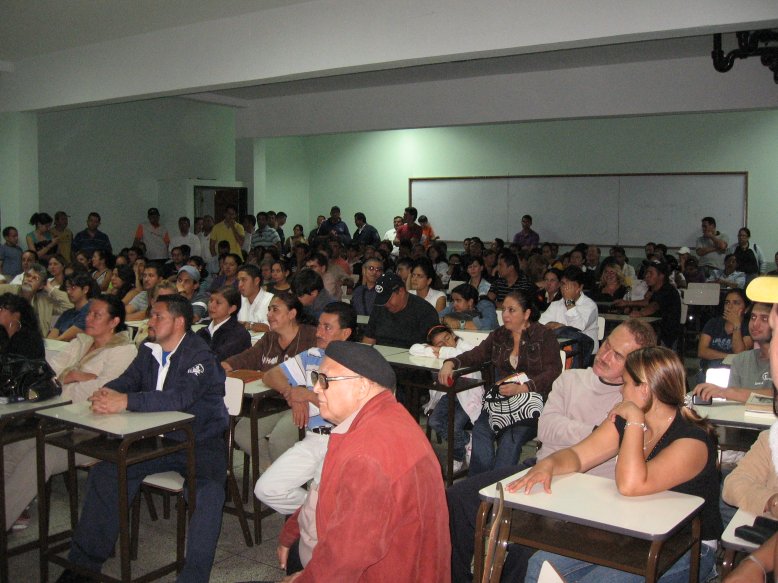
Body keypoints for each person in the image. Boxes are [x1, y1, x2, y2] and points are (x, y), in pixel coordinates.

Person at [446, 320, 657, 583]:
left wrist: (583, 432)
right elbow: (545, 428)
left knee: (523, 550)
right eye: (606, 345)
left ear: (637, 366)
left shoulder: (634, 399)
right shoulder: (571, 378)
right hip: (540, 468)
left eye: (617, 355)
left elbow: (613, 446)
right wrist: (597, 431)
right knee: (456, 498)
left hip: (588, 492)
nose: (603, 356)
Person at [56, 295, 228, 583]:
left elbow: (180, 398)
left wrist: (126, 401)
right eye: (152, 315)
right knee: (107, 471)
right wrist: (107, 392)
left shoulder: (200, 355)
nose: (151, 321)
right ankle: (82, 567)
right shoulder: (148, 349)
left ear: (179, 322)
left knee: (209, 494)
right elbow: (127, 381)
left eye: (158, 316)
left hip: (200, 440)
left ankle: (193, 578)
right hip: (155, 439)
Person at [514, 346, 722, 583]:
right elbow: (578, 456)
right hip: (635, 532)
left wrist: (634, 420)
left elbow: (631, 485)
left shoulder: (692, 441)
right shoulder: (627, 422)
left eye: (625, 384)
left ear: (644, 389)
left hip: (688, 546)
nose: (621, 391)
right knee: (539, 565)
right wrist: (549, 464)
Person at [277, 341, 451, 581]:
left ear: (361, 387)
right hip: (321, 548)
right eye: (316, 377)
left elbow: (346, 558)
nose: (316, 388)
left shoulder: (368, 454)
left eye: (325, 380)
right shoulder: (377, 419)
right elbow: (323, 492)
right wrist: (291, 532)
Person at [3, 294, 137, 532]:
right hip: (57, 418)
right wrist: (71, 378)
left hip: (96, 429)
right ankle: (12, 511)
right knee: (11, 446)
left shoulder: (124, 351)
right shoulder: (81, 342)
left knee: (38, 458)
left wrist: (66, 381)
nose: (89, 318)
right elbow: (48, 373)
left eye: (97, 314)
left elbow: (103, 393)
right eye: (88, 313)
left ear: (114, 321)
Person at [439, 290, 562, 475]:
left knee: (510, 439)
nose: (505, 315)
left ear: (527, 313)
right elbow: (476, 354)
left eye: (511, 310)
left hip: (531, 404)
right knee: (481, 431)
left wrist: (524, 388)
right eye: (503, 309)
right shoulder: (499, 335)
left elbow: (553, 371)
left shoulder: (544, 336)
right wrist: (451, 362)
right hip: (501, 402)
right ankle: (479, 485)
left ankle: (497, 492)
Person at [255, 302, 356, 515]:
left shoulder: (356, 363)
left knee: (320, 491)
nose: (319, 332)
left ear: (345, 333)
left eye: (327, 328)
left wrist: (307, 395)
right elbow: (270, 375)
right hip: (313, 438)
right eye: (319, 326)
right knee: (266, 489)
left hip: (343, 441)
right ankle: (325, 515)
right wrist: (291, 393)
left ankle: (324, 517)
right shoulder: (313, 355)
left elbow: (349, 412)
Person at [223, 293, 318, 468]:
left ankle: (283, 480)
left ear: (292, 314)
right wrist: (226, 365)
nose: (269, 315)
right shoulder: (269, 338)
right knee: (242, 432)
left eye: (275, 310)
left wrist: (299, 394)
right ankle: (271, 470)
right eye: (268, 310)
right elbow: (247, 357)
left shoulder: (310, 337)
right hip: (271, 401)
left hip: (301, 403)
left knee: (279, 440)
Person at [412, 324, 482, 472]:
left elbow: (463, 354)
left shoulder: (467, 347)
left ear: (452, 334)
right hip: (448, 394)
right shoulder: (446, 350)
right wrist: (439, 350)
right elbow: (414, 349)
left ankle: (457, 456)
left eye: (447, 338)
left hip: (468, 395)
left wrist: (440, 350)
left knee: (454, 427)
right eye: (440, 344)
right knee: (434, 421)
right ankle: (467, 440)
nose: (446, 344)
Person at [692, 300, 772, 403]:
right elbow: (732, 401)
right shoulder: (740, 360)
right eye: (753, 317)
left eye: (764, 319)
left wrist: (725, 392)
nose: (755, 324)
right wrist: (727, 393)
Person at [615, 259, 682, 349]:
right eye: (646, 273)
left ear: (661, 276)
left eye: (651, 273)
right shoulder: (654, 290)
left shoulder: (667, 290)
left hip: (665, 337)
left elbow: (654, 306)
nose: (647, 276)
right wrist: (626, 303)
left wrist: (640, 313)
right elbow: (646, 302)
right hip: (655, 332)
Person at [362, 271, 440, 348]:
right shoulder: (379, 307)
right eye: (382, 300)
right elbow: (368, 341)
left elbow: (431, 349)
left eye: (388, 300)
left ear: (401, 292)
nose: (386, 304)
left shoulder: (425, 312)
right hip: (380, 357)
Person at [539, 265, 600, 359]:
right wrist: (559, 327)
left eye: (570, 285)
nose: (565, 289)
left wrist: (569, 301)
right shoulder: (556, 305)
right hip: (558, 354)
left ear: (580, 287)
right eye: (563, 284)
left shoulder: (590, 305)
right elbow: (540, 326)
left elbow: (577, 327)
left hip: (585, 356)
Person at [0, 263, 73, 335]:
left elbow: (70, 305)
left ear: (41, 286)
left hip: (34, 340)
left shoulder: (45, 301)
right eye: (28, 276)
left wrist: (50, 289)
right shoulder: (5, 290)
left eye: (35, 278)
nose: (29, 279)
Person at [696, 288, 752, 372]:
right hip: (709, 370)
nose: (730, 306)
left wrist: (737, 325)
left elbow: (739, 354)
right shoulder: (713, 323)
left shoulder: (749, 326)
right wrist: (729, 356)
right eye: (727, 302)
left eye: (736, 303)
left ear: (746, 308)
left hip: (735, 372)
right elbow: (702, 351)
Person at [196, 285, 251, 361]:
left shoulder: (239, 334)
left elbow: (218, 359)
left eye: (218, 303)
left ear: (231, 309)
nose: (212, 305)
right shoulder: (202, 332)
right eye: (211, 300)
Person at [47, 272, 97, 341]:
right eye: (67, 287)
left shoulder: (91, 312)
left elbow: (64, 338)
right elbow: (51, 338)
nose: (68, 291)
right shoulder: (66, 313)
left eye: (73, 287)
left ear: (85, 289)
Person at [0, 292, 44, 358]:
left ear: (16, 315)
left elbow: (16, 365)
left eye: (0, 309)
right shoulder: (3, 335)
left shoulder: (29, 341)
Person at [236, 263, 273, 333]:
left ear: (256, 281)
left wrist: (249, 325)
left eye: (244, 280)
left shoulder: (271, 300)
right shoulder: (237, 299)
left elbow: (271, 327)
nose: (240, 285)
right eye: (238, 280)